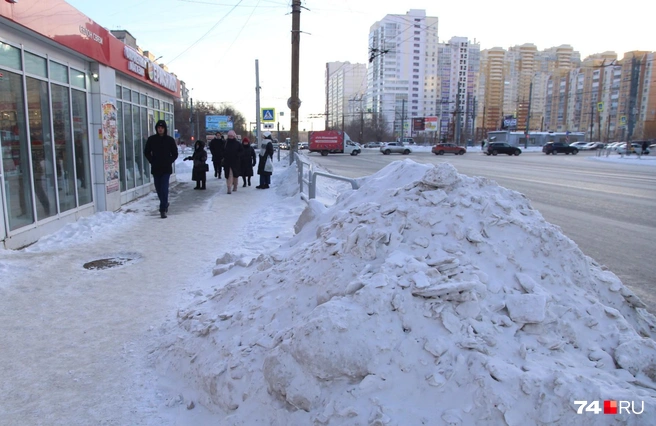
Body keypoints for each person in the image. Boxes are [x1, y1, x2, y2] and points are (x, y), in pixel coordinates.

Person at [144, 120, 178, 218]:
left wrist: (169, 160)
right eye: (158, 127)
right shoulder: (152, 140)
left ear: (165, 129)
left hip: (166, 168)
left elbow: (175, 154)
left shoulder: (170, 140)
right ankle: (165, 202)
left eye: (162, 128)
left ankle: (162, 209)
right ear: (156, 129)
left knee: (164, 188)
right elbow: (146, 152)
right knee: (158, 188)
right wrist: (152, 160)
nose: (160, 129)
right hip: (156, 167)